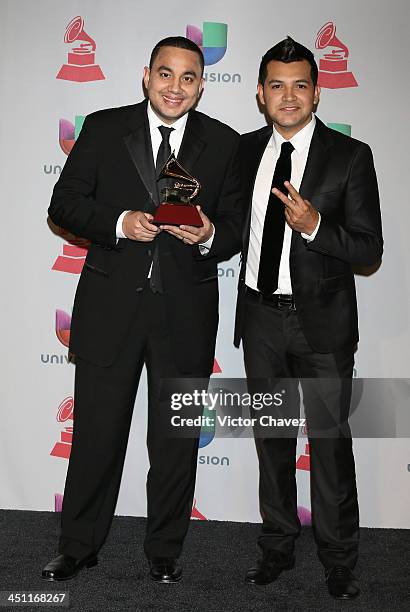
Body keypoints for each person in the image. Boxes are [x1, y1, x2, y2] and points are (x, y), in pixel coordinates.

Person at [42, 36, 241, 583]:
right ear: (146, 76)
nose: (175, 87)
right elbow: (64, 205)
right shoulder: (105, 128)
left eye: (188, 77)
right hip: (111, 307)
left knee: (175, 441)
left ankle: (164, 551)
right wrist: (118, 223)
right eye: (165, 74)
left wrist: (208, 234)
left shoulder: (224, 144)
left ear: (202, 84)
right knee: (97, 437)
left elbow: (234, 229)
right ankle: (78, 546)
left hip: (186, 313)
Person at [234, 37, 382, 599]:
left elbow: (369, 249)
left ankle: (339, 558)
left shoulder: (351, 157)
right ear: (260, 94)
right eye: (277, 85)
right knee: (271, 442)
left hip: (321, 328)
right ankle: (276, 547)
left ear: (317, 93)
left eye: (300, 85)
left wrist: (318, 226)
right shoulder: (245, 153)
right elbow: (230, 228)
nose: (288, 96)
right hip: (261, 322)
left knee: (328, 442)